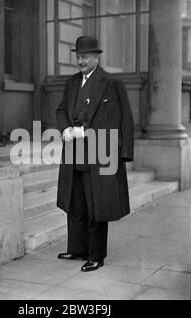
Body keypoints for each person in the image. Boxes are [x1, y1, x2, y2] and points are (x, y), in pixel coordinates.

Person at [56, 36, 135, 272]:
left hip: (100, 154)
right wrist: (65, 129)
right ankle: (78, 249)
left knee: (95, 205)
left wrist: (122, 153)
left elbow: (125, 120)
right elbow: (61, 110)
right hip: (74, 155)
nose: (80, 60)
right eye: (78, 56)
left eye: (85, 56)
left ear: (96, 58)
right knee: (75, 202)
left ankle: (96, 255)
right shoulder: (71, 83)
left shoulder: (112, 83)